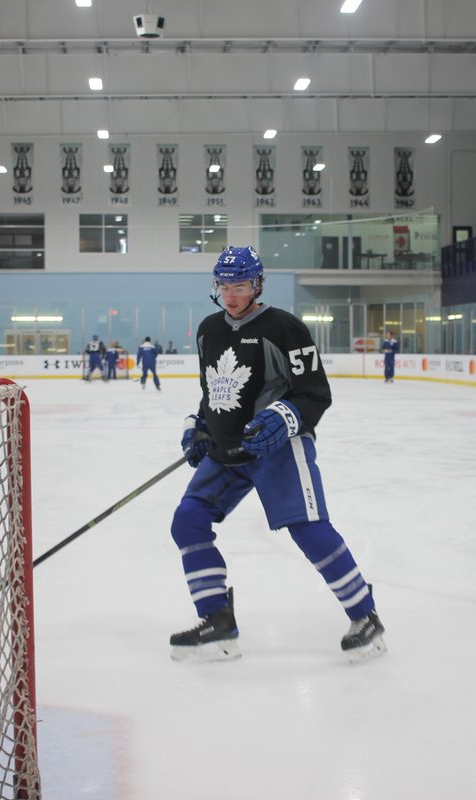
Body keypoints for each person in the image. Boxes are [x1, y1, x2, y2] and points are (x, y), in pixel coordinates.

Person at [169, 245, 386, 664]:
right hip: (226, 450)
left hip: (279, 448)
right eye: (225, 285)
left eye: (241, 285)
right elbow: (212, 389)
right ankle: (217, 620)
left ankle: (365, 616)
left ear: (257, 284)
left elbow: (315, 394)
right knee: (188, 520)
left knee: (308, 529)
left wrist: (284, 417)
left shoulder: (284, 328)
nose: (231, 294)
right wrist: (198, 426)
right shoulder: (208, 329)